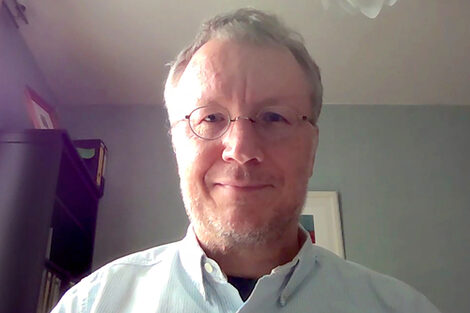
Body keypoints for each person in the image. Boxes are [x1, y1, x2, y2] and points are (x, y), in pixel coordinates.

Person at [52, 8, 441, 313]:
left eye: (274, 117)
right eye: (210, 117)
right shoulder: (92, 305)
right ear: (175, 142)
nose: (240, 148)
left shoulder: (402, 309)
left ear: (312, 144)